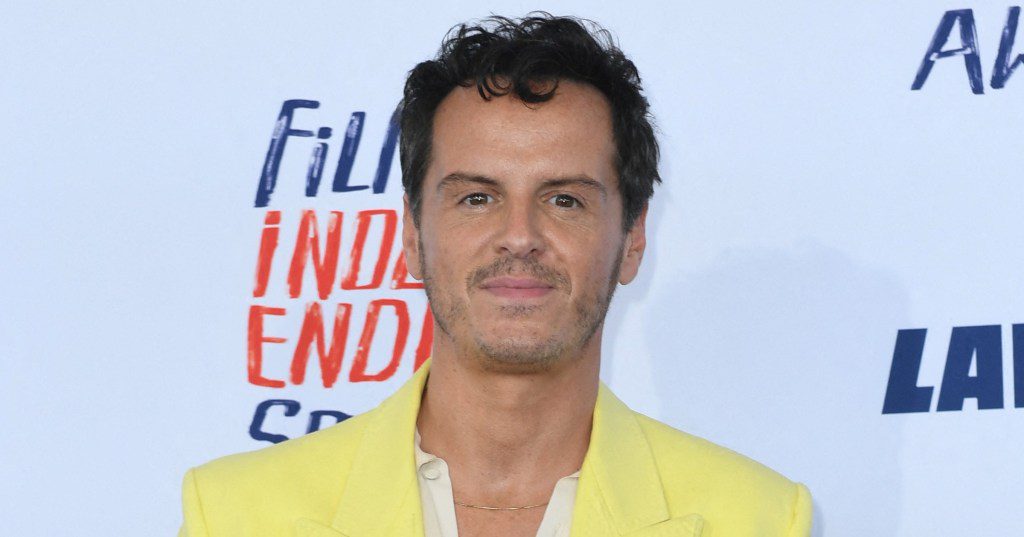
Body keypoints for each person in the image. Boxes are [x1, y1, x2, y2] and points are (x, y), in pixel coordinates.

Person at [179, 13, 812, 537]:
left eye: (565, 199)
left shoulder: (755, 518)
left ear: (633, 239)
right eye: (476, 198)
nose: (519, 236)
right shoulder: (235, 514)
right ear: (412, 236)